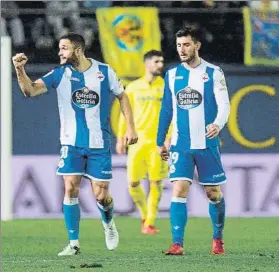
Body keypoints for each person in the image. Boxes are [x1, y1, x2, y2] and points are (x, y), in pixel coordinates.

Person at [12, 33, 138, 256]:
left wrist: (130, 128)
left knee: (101, 196)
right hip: (71, 144)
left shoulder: (104, 72)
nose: (59, 53)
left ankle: (108, 224)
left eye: (64, 48)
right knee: (70, 188)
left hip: (99, 143)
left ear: (77, 51)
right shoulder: (59, 74)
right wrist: (20, 70)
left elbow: (123, 96)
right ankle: (74, 243)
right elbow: (29, 91)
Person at [157, 26, 230, 255]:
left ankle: (217, 238)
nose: (182, 49)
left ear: (197, 45)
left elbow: (225, 105)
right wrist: (160, 141)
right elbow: (166, 109)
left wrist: (217, 124)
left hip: (207, 144)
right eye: (179, 45)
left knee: (213, 193)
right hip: (181, 144)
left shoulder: (214, 72)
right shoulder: (171, 74)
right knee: (179, 190)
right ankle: (177, 243)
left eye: (186, 44)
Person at [116, 50, 172, 234]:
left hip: (158, 143)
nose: (160, 65)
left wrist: (169, 138)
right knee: (133, 183)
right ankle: (144, 215)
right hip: (137, 142)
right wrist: (120, 137)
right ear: (147, 64)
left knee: (156, 182)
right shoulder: (133, 88)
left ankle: (149, 222)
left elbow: (172, 115)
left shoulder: (166, 87)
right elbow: (125, 114)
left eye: (162, 61)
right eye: (156, 61)